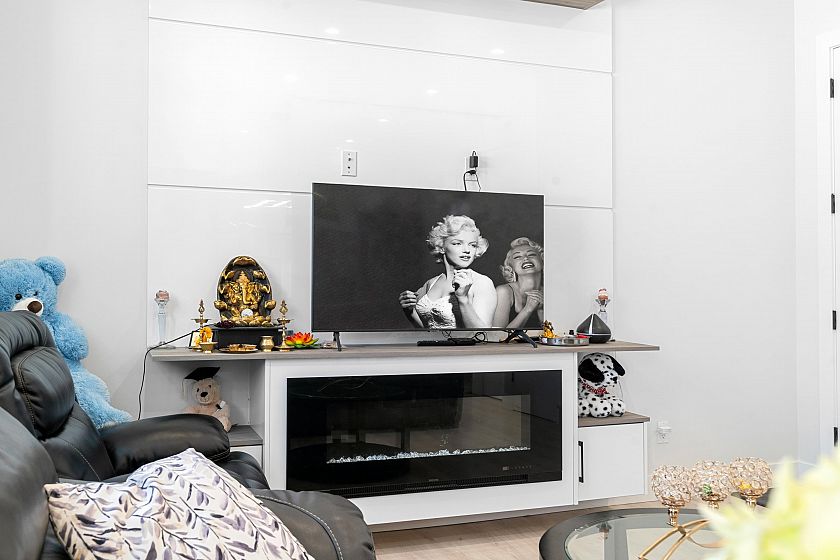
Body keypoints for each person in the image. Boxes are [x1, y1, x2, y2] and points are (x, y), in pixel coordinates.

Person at [399, 215, 497, 329]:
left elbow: (482, 334)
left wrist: (463, 299)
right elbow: (426, 329)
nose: (467, 250)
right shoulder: (431, 283)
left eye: (472, 245)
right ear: (441, 247)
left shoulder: (482, 282)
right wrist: (409, 311)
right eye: (457, 243)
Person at [492, 237, 544, 329]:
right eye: (517, 257)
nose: (525, 258)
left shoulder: (550, 292)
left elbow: (554, 333)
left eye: (531, 254)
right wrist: (528, 309)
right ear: (511, 267)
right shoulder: (504, 292)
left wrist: (541, 310)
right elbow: (498, 334)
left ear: (542, 261)